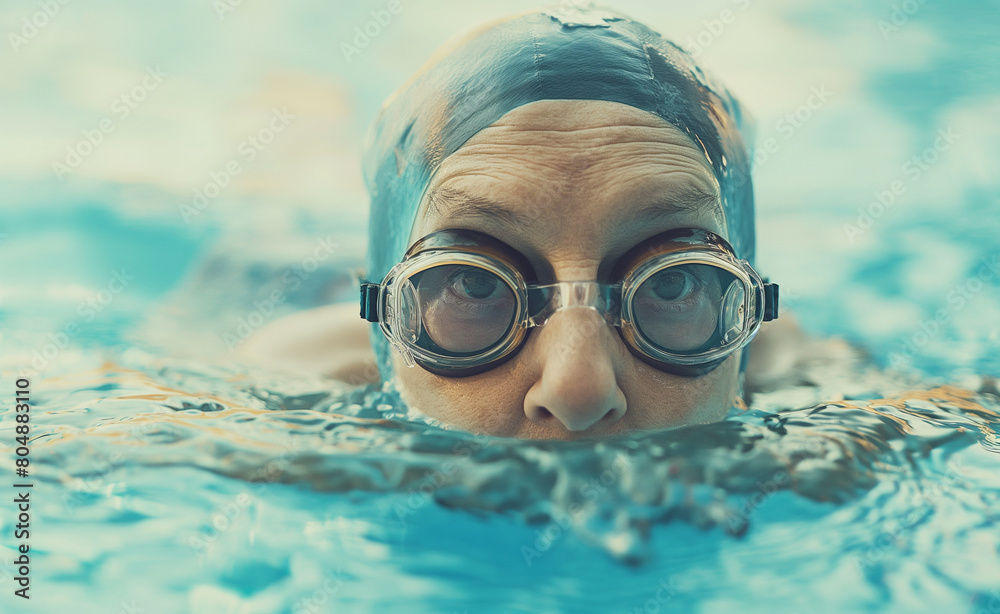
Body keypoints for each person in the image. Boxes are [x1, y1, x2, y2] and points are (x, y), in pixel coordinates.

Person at [239, 3, 817, 439]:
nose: (577, 391)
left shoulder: (789, 365)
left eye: (673, 281)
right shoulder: (283, 386)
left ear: (745, 308)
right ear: (385, 321)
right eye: (473, 282)